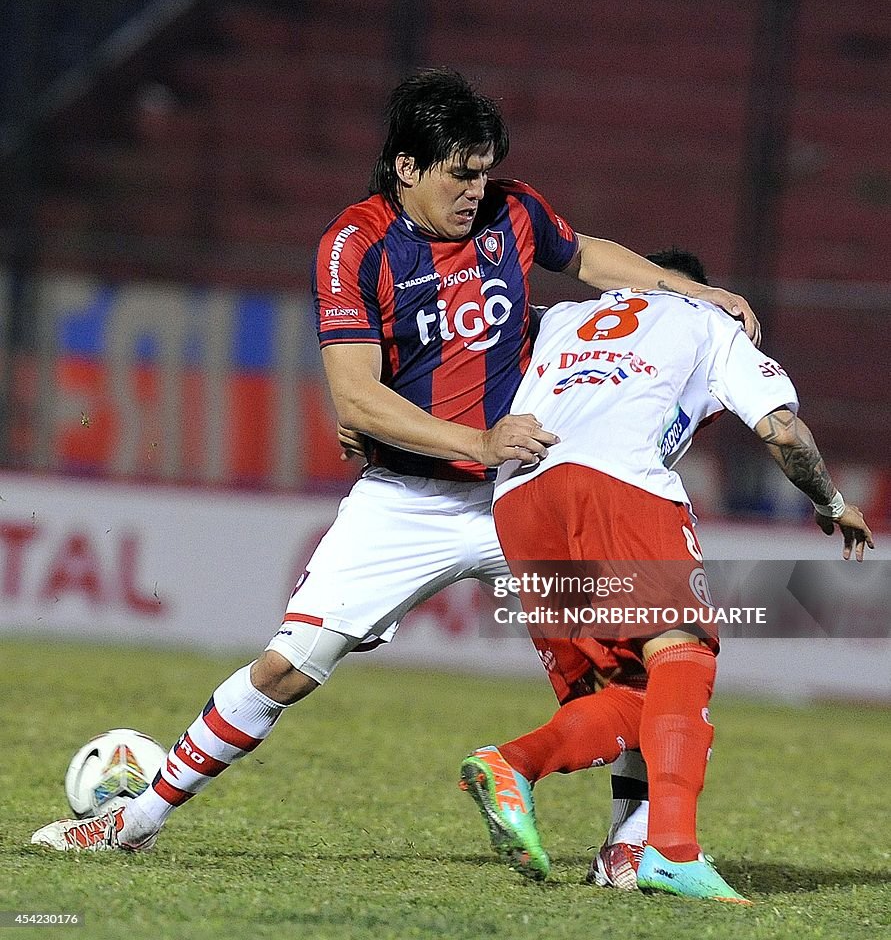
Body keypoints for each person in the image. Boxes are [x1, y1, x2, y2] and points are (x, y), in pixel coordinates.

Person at [31, 72, 760, 854]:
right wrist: (473, 441)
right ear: (407, 167)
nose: (476, 190)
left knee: (640, 670)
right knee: (291, 665)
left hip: (525, 494)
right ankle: (134, 821)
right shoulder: (355, 246)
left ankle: (627, 852)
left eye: (483, 172)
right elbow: (356, 399)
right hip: (410, 499)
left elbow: (583, 256)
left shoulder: (515, 210)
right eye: (459, 173)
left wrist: (687, 291)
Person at [458, 248, 873, 902]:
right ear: (700, 290)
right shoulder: (707, 320)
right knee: (684, 652)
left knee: (630, 691)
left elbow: (464, 351)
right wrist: (829, 503)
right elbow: (781, 429)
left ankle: (513, 767)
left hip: (519, 497)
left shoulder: (564, 315)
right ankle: (672, 849)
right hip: (617, 482)